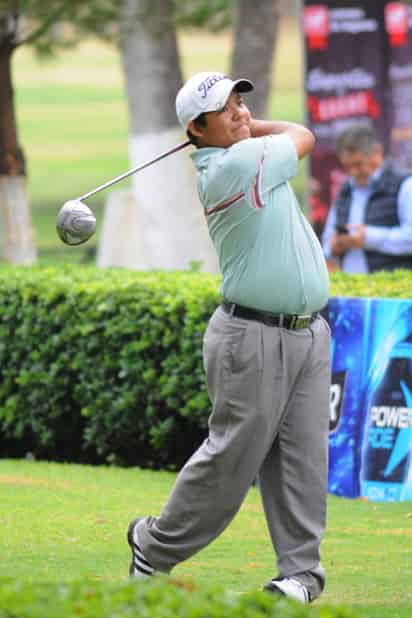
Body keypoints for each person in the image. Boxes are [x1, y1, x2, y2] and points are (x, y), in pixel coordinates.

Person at [127, 71, 331, 604]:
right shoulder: (235, 166)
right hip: (252, 335)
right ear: (197, 127)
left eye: (242, 101)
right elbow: (305, 134)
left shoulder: (245, 153)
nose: (241, 111)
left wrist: (242, 125)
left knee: (304, 458)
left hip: (307, 332)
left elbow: (290, 136)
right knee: (231, 461)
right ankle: (153, 545)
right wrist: (256, 130)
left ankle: (300, 576)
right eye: (227, 108)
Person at [322, 123, 412, 273]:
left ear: (377, 152)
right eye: (347, 166)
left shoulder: (405, 185)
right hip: (351, 290)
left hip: (393, 290)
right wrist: (334, 246)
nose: (353, 172)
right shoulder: (345, 190)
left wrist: (368, 238)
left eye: (358, 164)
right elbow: (327, 240)